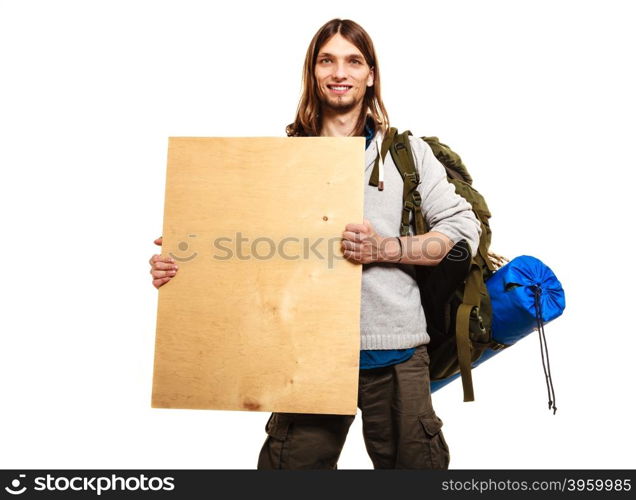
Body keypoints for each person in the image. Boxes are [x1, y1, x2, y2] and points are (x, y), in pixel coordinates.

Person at [149, 18, 481, 470]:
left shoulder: (406, 153)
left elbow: (462, 228)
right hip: (305, 353)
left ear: (371, 74)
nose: (339, 72)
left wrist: (385, 250)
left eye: (353, 61)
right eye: (327, 60)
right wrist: (187, 265)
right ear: (313, 71)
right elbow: (240, 247)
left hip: (397, 354)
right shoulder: (279, 160)